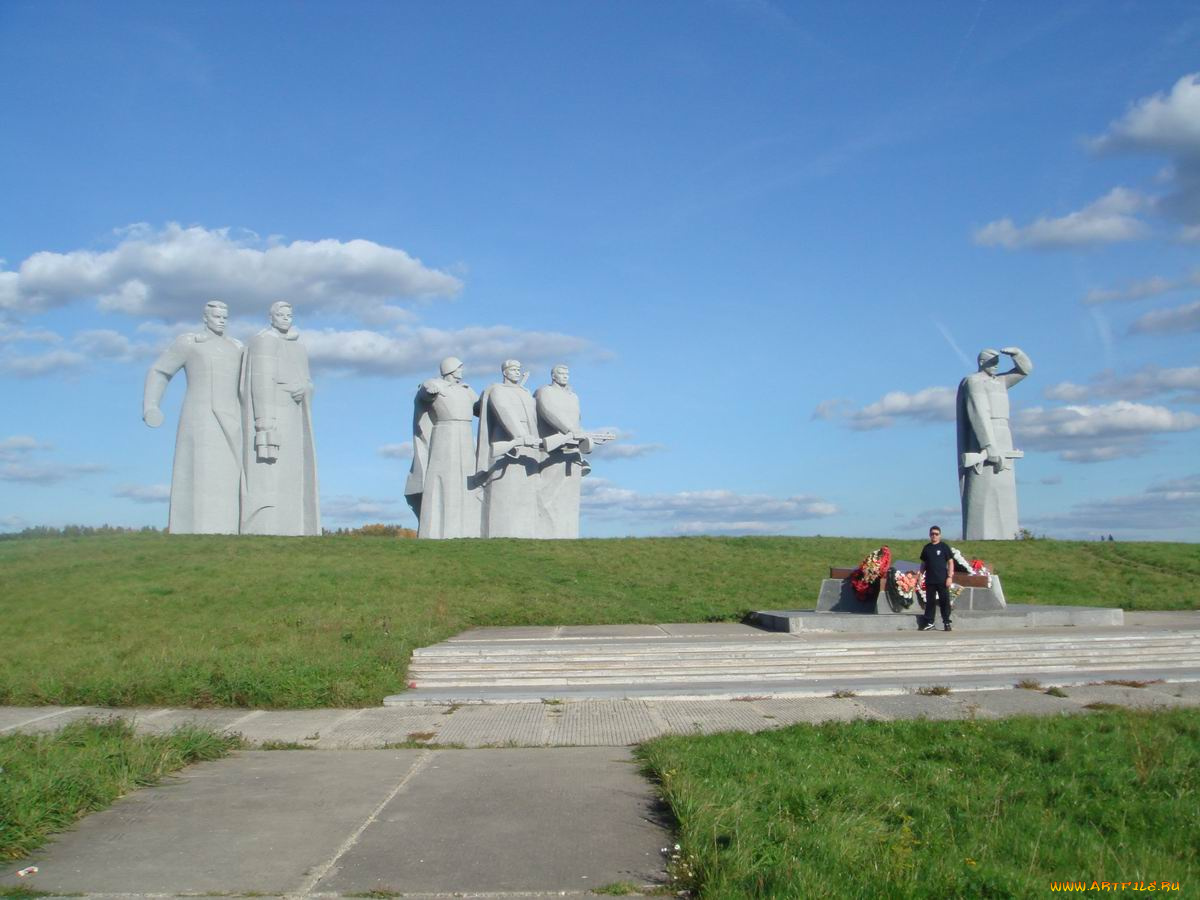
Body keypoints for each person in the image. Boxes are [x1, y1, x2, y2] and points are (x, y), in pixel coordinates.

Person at [143, 300, 244, 534]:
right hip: (200, 415)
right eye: (216, 316)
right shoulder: (189, 342)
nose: (221, 320)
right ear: (205, 318)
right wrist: (151, 405)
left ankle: (230, 528)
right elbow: (160, 371)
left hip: (233, 417)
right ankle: (193, 529)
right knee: (198, 471)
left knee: (230, 475)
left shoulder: (237, 347)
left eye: (224, 317)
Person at [240, 301, 320, 536]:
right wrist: (264, 422)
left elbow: (308, 380)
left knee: (293, 471)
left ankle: (294, 526)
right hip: (274, 412)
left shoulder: (298, 347)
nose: (286, 318)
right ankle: (264, 524)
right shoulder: (264, 340)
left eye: (289, 314)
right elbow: (260, 382)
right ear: (271, 316)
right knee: (269, 472)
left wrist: (305, 389)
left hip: (295, 411)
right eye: (281, 314)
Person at [957, 346, 1033, 540]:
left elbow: (1024, 370)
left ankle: (1008, 534)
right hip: (985, 434)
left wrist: (1017, 354)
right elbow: (978, 412)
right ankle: (980, 535)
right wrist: (988, 444)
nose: (996, 365)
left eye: (998, 362)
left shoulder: (1000, 382)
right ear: (982, 363)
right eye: (992, 362)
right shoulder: (974, 382)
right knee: (985, 484)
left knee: (1004, 486)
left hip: (1003, 431)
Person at [405, 357, 482, 539]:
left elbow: (479, 409)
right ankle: (437, 529)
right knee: (443, 477)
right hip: (445, 433)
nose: (461, 371)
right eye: (459, 368)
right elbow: (425, 393)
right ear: (450, 369)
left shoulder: (467, 389)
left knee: (466, 479)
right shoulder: (434, 384)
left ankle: (468, 529)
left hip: (465, 434)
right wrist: (429, 391)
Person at [534, 364, 613, 539]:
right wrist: (571, 432)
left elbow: (577, 422)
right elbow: (549, 413)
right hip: (552, 451)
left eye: (567, 374)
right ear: (553, 376)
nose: (565, 376)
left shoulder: (573, 396)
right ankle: (543, 532)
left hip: (573, 450)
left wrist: (588, 437)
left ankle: (567, 534)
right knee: (547, 491)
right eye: (561, 373)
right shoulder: (544, 392)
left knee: (569, 496)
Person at [475, 359, 543, 538]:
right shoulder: (497, 390)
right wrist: (520, 435)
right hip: (506, 436)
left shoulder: (525, 391)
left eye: (519, 369)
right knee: (504, 487)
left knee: (526, 489)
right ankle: (499, 532)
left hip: (529, 439)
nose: (517, 372)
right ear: (504, 372)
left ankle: (527, 532)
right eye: (513, 369)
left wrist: (531, 438)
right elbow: (504, 411)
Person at [919, 525, 955, 631]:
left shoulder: (944, 547)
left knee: (944, 601)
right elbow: (923, 563)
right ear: (929, 535)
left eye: (936, 534)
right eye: (932, 534)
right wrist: (920, 575)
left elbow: (950, 562)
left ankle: (946, 622)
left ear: (940, 535)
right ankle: (930, 622)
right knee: (930, 602)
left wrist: (949, 576)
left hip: (942, 580)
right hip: (930, 580)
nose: (934, 536)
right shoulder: (927, 548)